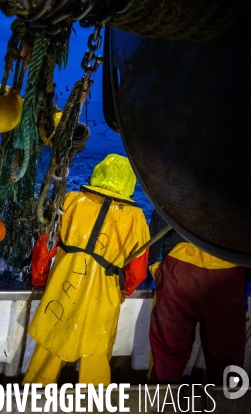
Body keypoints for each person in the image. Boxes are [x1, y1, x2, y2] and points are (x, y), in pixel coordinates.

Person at [23, 154, 150, 386]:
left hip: (63, 288)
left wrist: (40, 279)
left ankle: (31, 401)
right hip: (104, 295)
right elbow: (138, 271)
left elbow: (45, 245)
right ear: (129, 182)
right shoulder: (137, 218)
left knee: (51, 345)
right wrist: (125, 291)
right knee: (96, 351)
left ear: (98, 173)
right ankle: (94, 407)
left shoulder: (70, 200)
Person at [148, 209, 246, 384]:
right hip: (229, 274)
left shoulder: (180, 182)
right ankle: (229, 406)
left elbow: (160, 215)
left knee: (168, 348)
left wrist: (155, 262)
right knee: (227, 354)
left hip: (179, 266)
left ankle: (161, 405)